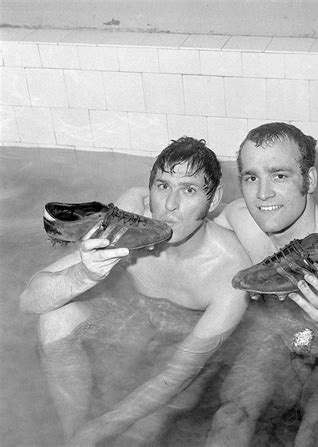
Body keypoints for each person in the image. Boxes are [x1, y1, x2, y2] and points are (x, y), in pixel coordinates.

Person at [119, 123, 318, 446]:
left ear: (309, 180)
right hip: (274, 342)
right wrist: (133, 198)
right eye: (251, 177)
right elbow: (180, 215)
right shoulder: (240, 218)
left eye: (279, 176)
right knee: (232, 417)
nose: (263, 194)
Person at [20, 137, 251, 446]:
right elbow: (29, 302)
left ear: (214, 199)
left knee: (140, 433)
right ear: (149, 190)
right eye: (163, 186)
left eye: (189, 190)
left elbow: (181, 369)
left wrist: (103, 426)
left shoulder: (229, 271)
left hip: (187, 344)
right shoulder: (130, 228)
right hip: (134, 317)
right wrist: (84, 273)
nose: (170, 205)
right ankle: (72, 436)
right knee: (55, 320)